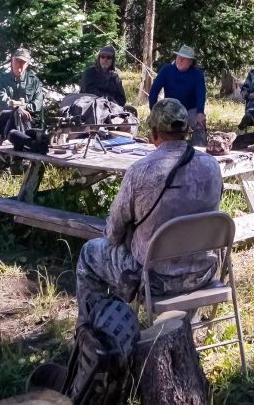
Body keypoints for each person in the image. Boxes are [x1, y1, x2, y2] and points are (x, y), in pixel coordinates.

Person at [75, 98, 223, 327]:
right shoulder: (212, 166)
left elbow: (113, 231)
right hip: (202, 272)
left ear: (154, 133)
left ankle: (93, 334)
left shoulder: (140, 171)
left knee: (89, 252)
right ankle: (186, 325)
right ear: (186, 130)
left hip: (154, 280)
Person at [148, 45, 207, 136]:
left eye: (184, 59)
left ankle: (199, 146)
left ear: (190, 62)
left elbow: (201, 94)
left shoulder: (197, 74)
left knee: (200, 124)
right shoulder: (166, 70)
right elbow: (154, 90)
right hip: (170, 109)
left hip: (190, 109)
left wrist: (200, 112)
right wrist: (153, 109)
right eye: (178, 57)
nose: (180, 60)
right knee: (158, 125)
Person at [0, 48, 44, 135]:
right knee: (13, 115)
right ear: (12, 61)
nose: (19, 64)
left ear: (27, 64)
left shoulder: (34, 81)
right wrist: (18, 109)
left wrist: (22, 107)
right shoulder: (2, 79)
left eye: (22, 62)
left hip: (30, 122)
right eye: (17, 60)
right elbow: (1, 100)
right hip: (7, 121)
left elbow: (37, 104)